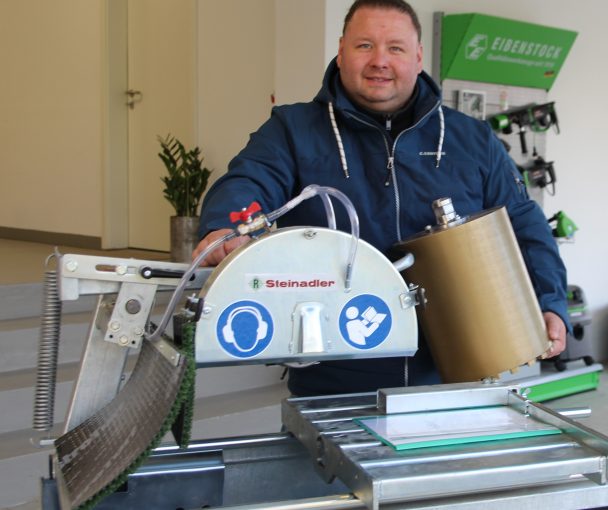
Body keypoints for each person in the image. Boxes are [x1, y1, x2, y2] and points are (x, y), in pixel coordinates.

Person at [194, 0, 569, 397]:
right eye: (364, 46)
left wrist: (549, 300)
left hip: (455, 370)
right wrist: (227, 226)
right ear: (340, 52)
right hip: (334, 375)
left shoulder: (472, 139)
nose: (379, 61)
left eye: (395, 48)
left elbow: (523, 223)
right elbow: (248, 182)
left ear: (418, 56)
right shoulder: (293, 129)